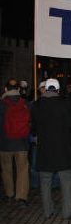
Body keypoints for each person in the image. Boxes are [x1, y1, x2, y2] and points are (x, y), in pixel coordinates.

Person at [31, 78, 71, 219]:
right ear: (58, 90)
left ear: (45, 89)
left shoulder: (37, 105)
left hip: (44, 149)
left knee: (45, 181)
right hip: (62, 149)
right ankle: (67, 212)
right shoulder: (64, 103)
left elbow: (33, 128)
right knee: (66, 180)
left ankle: (48, 211)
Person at [0, 78, 30, 207]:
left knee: (6, 169)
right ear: (18, 89)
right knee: (22, 170)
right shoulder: (25, 103)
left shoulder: (2, 104)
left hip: (4, 144)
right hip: (22, 143)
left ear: (5, 89)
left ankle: (9, 194)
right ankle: (21, 197)